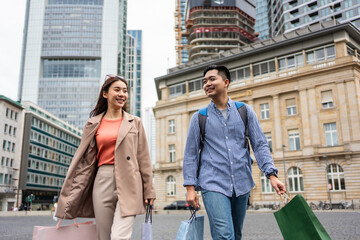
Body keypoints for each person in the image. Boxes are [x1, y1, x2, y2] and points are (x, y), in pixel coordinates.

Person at [183, 65, 286, 240]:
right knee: (225, 235)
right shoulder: (199, 117)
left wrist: (272, 175)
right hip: (212, 182)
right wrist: (190, 188)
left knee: (235, 235)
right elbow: (191, 155)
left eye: (212, 79)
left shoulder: (244, 111)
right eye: (204, 81)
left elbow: (260, 144)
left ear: (226, 82)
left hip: (242, 182)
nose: (207, 84)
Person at [55, 74, 156, 240]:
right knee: (104, 236)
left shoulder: (135, 122)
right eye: (117, 90)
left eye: (125, 91)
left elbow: (143, 158)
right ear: (105, 94)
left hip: (130, 180)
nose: (122, 94)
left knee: (119, 236)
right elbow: (85, 162)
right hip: (102, 180)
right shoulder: (93, 123)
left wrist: (149, 190)